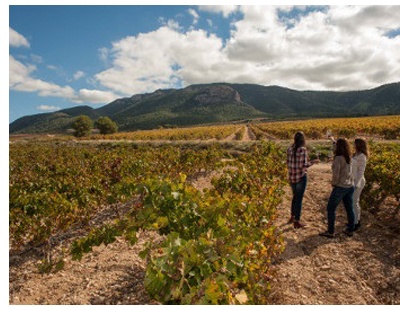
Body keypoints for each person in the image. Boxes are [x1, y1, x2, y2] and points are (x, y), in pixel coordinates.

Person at [320, 138, 355, 238]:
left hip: (340, 186)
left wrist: (334, 184)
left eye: (335, 145)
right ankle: (350, 230)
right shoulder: (349, 156)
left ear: (338, 146)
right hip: (350, 186)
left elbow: (336, 174)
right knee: (349, 208)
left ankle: (331, 232)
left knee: (330, 208)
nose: (334, 146)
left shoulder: (339, 158)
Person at [287, 132, 319, 229]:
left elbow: (288, 164)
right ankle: (297, 221)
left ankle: (292, 217)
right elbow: (303, 166)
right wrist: (314, 162)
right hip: (301, 177)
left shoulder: (289, 149)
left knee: (295, 197)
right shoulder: (303, 150)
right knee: (299, 199)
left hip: (292, 177)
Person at [352, 138, 369, 231]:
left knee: (355, 202)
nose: (353, 145)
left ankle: (356, 223)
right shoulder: (356, 154)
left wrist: (355, 184)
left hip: (358, 182)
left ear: (358, 145)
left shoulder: (362, 156)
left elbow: (360, 172)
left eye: (354, 144)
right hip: (353, 181)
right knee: (353, 202)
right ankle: (355, 220)